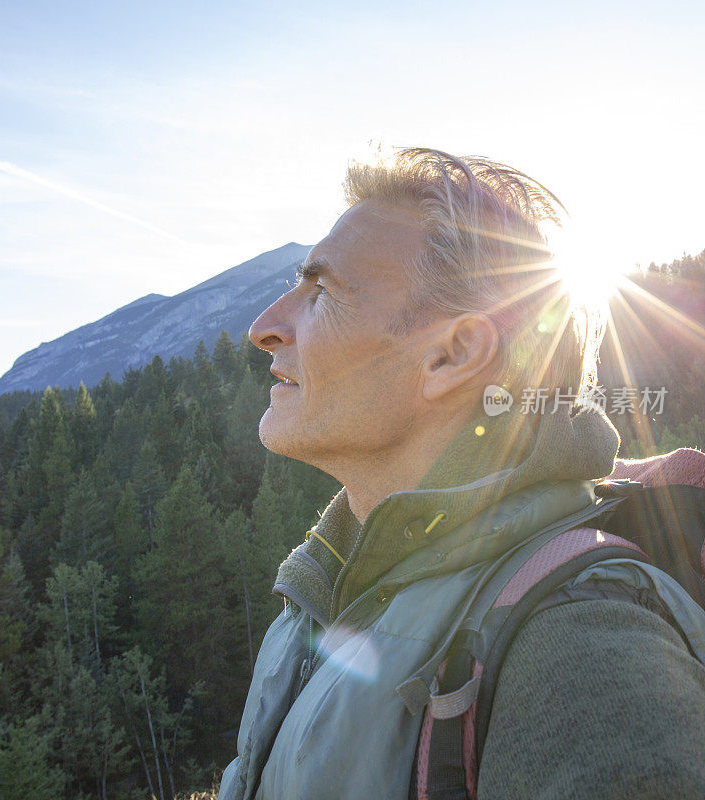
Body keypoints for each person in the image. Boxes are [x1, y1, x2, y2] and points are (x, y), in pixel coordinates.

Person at [217, 148, 705, 799]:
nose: (264, 328)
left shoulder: (581, 641)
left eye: (323, 290)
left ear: (452, 355)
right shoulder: (320, 589)